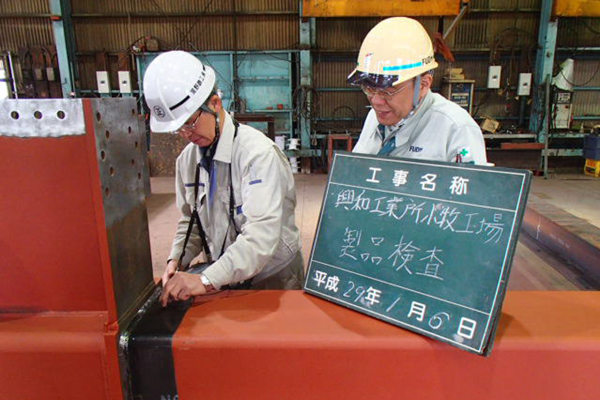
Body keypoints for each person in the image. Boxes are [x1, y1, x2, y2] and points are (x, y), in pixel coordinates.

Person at [143, 51, 304, 306]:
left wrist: (204, 280)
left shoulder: (257, 155)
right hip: (225, 274)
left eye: (190, 123)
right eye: (178, 129)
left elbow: (261, 237)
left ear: (215, 104)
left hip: (272, 277)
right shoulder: (187, 161)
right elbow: (191, 220)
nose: (186, 134)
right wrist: (177, 259)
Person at [348, 17, 488, 165]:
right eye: (369, 88)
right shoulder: (376, 116)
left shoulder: (456, 129)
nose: (376, 101)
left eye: (387, 91)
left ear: (423, 85)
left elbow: (472, 180)